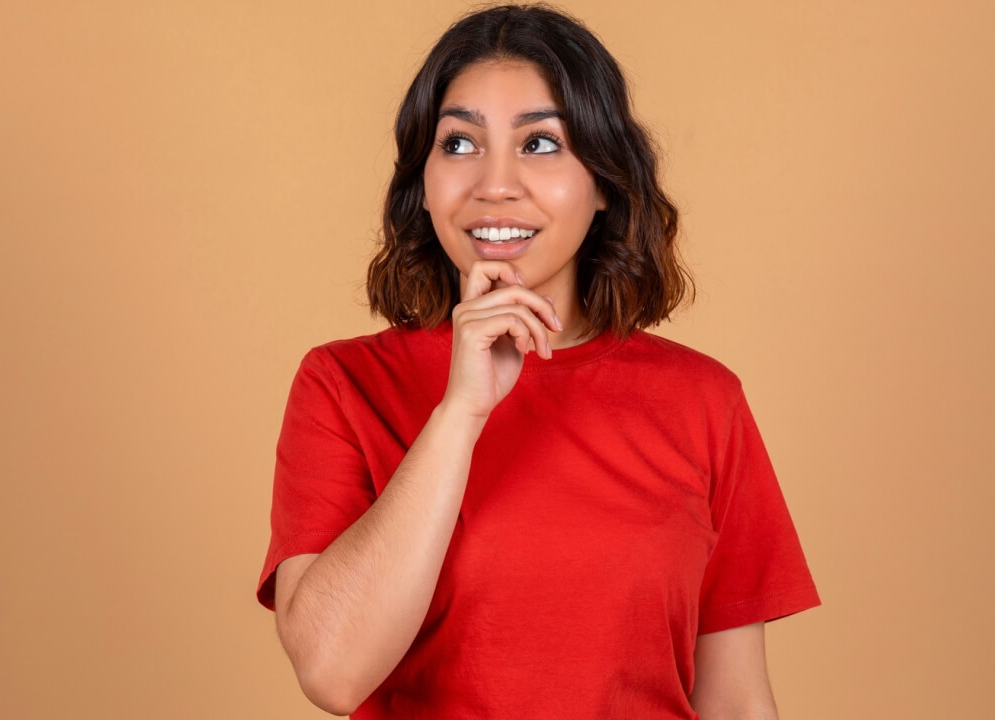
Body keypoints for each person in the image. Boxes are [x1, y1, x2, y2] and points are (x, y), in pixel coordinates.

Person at [255, 4, 821, 718]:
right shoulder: (342, 386)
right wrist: (460, 413)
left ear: (606, 181)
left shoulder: (704, 401)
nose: (496, 183)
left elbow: (737, 701)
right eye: (459, 144)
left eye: (542, 144)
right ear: (421, 183)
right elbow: (332, 673)